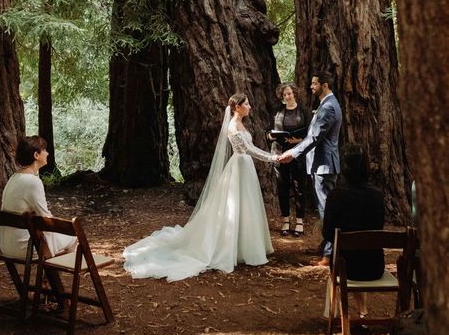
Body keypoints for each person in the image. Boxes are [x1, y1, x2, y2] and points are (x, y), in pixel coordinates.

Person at [123, 93, 279, 282]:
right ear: (237, 107)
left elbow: (250, 147)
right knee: (236, 205)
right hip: (240, 166)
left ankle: (246, 246)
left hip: (245, 167)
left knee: (246, 206)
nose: (250, 106)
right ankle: (234, 248)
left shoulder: (241, 124)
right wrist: (273, 158)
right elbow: (249, 149)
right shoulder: (232, 126)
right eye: (246, 103)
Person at [279, 71, 342, 266]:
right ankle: (327, 247)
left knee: (326, 210)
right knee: (326, 208)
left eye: (314, 84)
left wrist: (293, 153)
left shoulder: (329, 107)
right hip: (321, 164)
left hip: (324, 165)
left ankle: (330, 254)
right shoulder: (326, 105)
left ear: (325, 85)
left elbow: (315, 137)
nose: (311, 87)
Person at [323, 143, 385, 317]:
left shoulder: (336, 195)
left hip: (346, 268)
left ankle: (340, 316)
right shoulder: (377, 195)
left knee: (345, 257)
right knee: (359, 253)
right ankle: (363, 311)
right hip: (374, 266)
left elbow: (327, 233)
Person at [0, 136, 76, 259]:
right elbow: (45, 218)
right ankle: (52, 278)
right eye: (44, 150)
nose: (47, 153)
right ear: (36, 155)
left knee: (49, 236)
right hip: (25, 247)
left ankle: (48, 276)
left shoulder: (13, 178)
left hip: (5, 246)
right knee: (73, 237)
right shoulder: (33, 181)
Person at [268, 82, 311, 237]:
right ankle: (286, 219)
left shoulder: (304, 111)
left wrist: (298, 141)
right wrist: (271, 135)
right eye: (285, 94)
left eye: (290, 93)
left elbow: (311, 134)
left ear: (295, 94)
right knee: (282, 187)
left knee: (300, 187)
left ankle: (299, 220)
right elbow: (269, 130)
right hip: (280, 153)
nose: (287, 96)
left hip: (298, 154)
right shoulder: (277, 111)